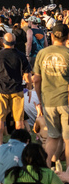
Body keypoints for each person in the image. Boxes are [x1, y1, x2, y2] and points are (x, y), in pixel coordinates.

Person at [32, 22, 69, 164]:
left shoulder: (42, 53)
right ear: (67, 37)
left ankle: (44, 168)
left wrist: (41, 101)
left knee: (53, 137)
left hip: (48, 101)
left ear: (52, 36)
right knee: (67, 138)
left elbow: (36, 80)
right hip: (65, 101)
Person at [0, 32, 31, 139]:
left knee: (0, 119)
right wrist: (29, 88)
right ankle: (19, 142)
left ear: (3, 42)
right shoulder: (21, 55)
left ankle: (0, 142)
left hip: (1, 89)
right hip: (17, 89)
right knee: (19, 120)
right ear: (14, 42)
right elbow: (27, 74)